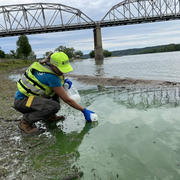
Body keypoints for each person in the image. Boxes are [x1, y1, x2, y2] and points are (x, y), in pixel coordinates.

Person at [14, 51, 95, 134]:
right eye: (61, 69)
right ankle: (25, 122)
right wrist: (84, 110)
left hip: (29, 99)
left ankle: (49, 117)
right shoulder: (50, 76)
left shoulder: (45, 66)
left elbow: (49, 83)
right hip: (23, 102)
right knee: (54, 106)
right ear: (53, 65)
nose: (63, 72)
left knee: (58, 93)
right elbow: (68, 100)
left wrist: (63, 82)